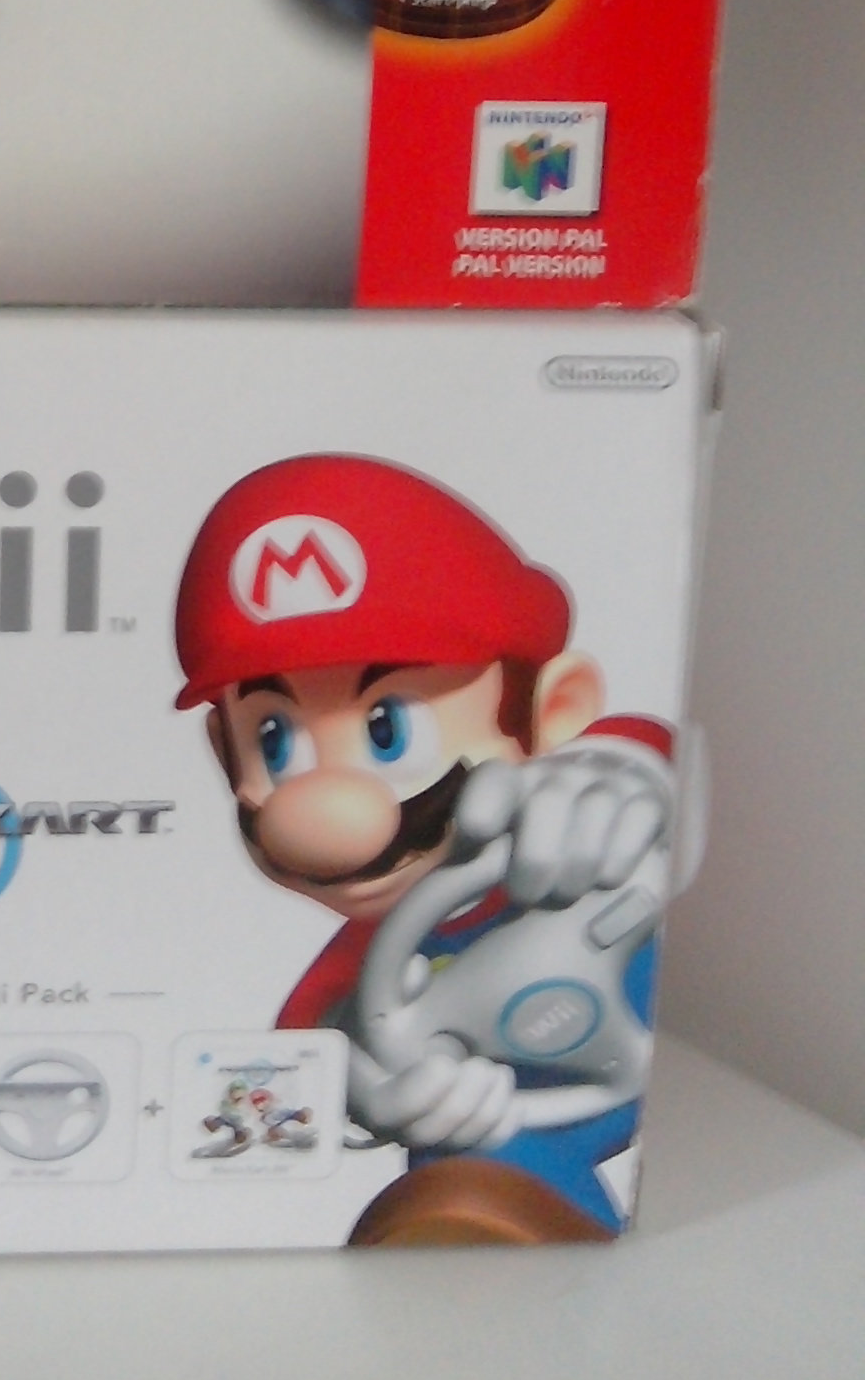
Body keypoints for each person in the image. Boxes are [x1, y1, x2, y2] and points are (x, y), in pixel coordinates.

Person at [174, 452, 675, 1245]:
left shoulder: (606, 795)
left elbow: (654, 752)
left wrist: (612, 775)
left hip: (708, 1101)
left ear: (554, 712)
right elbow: (307, 1051)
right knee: (463, 1171)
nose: (322, 808)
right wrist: (374, 1090)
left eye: (388, 729)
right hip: (513, 1127)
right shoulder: (374, 957)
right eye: (274, 740)